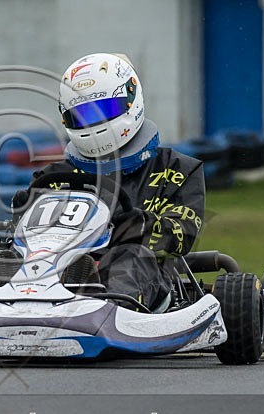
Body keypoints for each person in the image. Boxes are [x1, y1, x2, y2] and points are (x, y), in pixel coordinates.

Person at [27, 52, 206, 312]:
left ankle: (104, 308)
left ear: (131, 101)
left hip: (146, 280)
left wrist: (137, 225)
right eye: (82, 116)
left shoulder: (177, 170)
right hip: (52, 273)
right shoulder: (51, 178)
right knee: (5, 258)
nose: (93, 124)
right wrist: (20, 216)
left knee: (129, 257)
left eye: (104, 111)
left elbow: (181, 236)